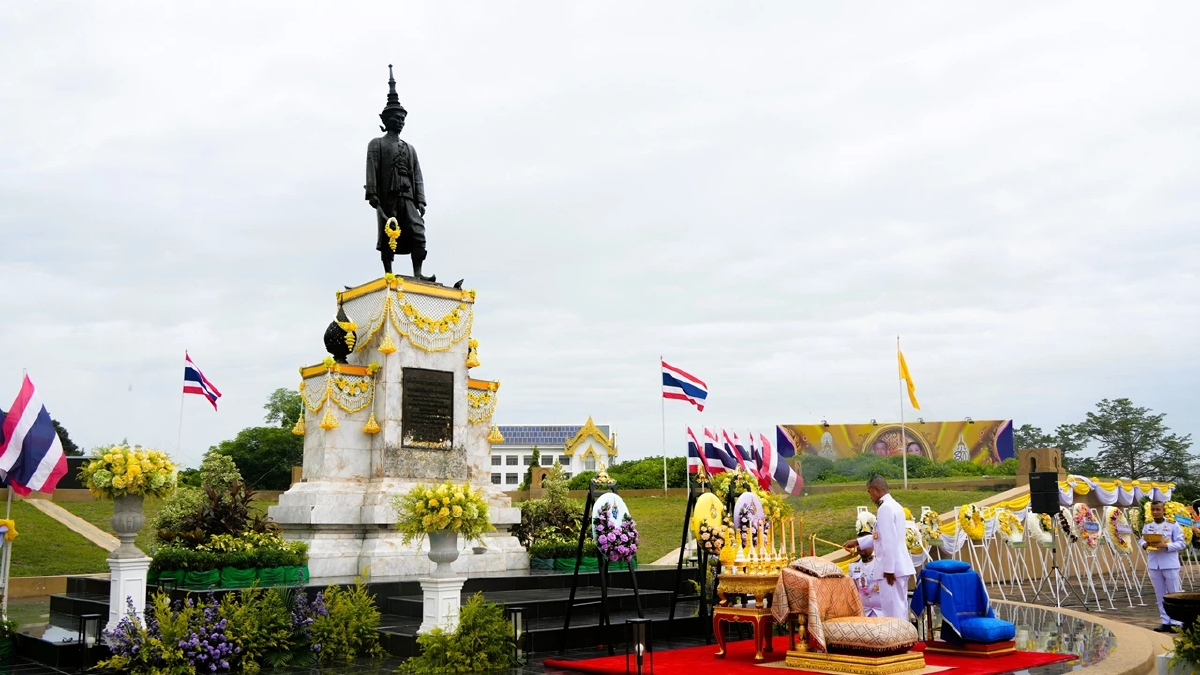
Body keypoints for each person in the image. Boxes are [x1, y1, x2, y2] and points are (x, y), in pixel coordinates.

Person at [365, 65, 434, 281]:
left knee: (417, 231)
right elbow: (372, 168)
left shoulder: (410, 148)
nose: (400, 121)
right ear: (386, 120)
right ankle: (388, 272)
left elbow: (418, 175)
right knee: (389, 233)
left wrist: (421, 199)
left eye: (402, 117)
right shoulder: (376, 144)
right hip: (389, 197)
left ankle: (418, 272)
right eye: (396, 117)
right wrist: (373, 194)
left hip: (408, 196)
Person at [843, 476, 916, 620]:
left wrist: (888, 570)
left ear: (877, 490)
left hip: (891, 570)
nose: (870, 497)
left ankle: (897, 641)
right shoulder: (896, 506)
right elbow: (880, 537)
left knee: (892, 612)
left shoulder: (885, 508)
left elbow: (889, 542)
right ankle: (902, 640)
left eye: (870, 492)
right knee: (899, 608)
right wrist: (857, 542)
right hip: (899, 565)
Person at [1142, 501, 1185, 632]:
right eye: (1153, 509)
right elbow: (1142, 539)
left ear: (1163, 510)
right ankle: (1165, 621)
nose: (1155, 512)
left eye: (1158, 509)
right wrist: (1144, 544)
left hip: (1169, 562)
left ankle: (1176, 622)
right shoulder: (1148, 525)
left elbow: (1181, 543)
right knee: (1160, 594)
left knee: (1173, 593)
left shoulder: (1172, 525)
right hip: (1154, 563)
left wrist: (1166, 545)